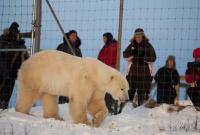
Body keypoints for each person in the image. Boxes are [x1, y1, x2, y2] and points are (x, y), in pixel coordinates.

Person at [123, 28, 156, 106]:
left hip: (145, 74)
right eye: (136, 36)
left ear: (143, 36)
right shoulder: (131, 45)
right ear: (134, 36)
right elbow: (124, 54)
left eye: (139, 36)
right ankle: (127, 109)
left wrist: (144, 58)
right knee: (130, 92)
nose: (138, 37)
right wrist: (132, 54)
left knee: (142, 93)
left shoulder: (148, 45)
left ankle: (140, 110)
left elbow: (154, 57)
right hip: (132, 73)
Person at [0, 22, 29, 109]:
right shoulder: (3, 39)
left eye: (16, 32)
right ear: (9, 31)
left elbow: (26, 58)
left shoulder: (20, 44)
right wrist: (17, 44)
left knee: (7, 93)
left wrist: (21, 45)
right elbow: (4, 48)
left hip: (12, 72)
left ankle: (4, 107)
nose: (14, 34)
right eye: (13, 31)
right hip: (2, 70)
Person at [56, 30, 82, 104]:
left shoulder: (77, 48)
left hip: (74, 73)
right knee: (63, 89)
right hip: (63, 71)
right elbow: (57, 58)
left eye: (75, 36)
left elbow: (80, 60)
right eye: (72, 35)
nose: (74, 37)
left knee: (73, 90)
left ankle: (71, 104)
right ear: (68, 37)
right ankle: (62, 104)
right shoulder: (62, 46)